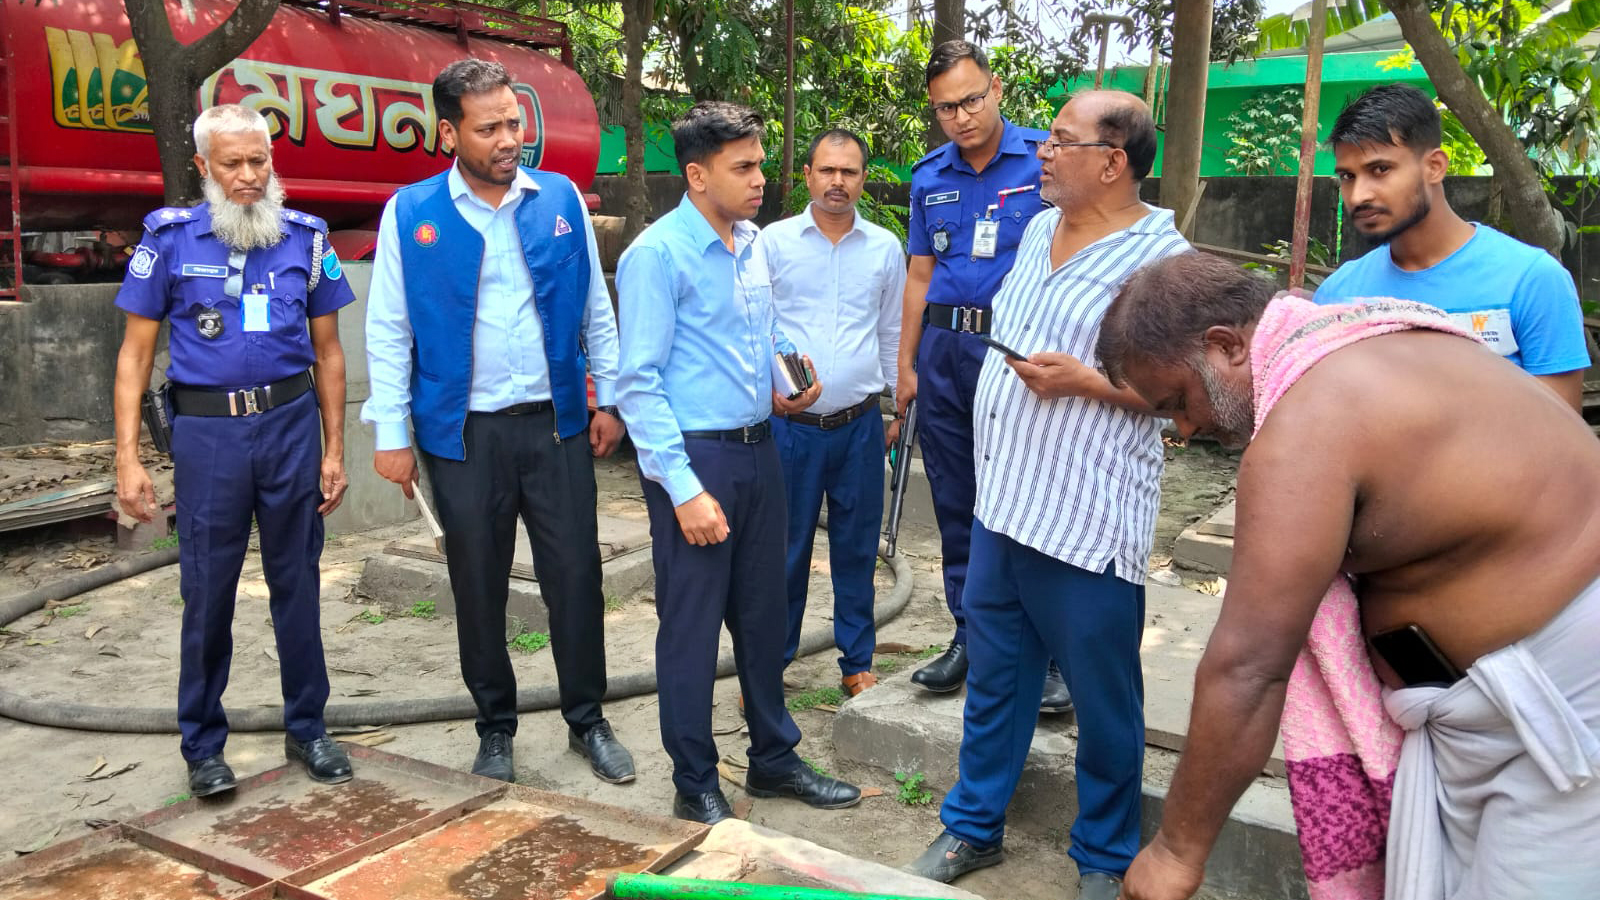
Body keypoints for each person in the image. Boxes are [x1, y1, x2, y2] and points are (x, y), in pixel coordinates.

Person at [1095, 252, 1600, 900]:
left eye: (1178, 403)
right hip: (1509, 712)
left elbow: (1249, 666)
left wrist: (1174, 852)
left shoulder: (1306, 424)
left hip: (1563, 712)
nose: (1186, 429)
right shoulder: (1368, 340)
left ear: (1226, 345)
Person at [902, 91, 1189, 900]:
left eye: (1061, 141)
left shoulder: (1160, 263)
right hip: (1005, 506)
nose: (1043, 153)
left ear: (1113, 161)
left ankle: (1103, 855)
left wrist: (1089, 383)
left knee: (1103, 699)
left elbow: (1183, 399)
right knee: (998, 679)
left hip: (1087, 518)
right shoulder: (1036, 232)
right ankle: (972, 826)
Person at [362, 59, 634, 785]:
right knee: (477, 583)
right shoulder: (412, 213)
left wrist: (606, 399)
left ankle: (589, 719)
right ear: (449, 132)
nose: (509, 138)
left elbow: (593, 310)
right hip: (464, 435)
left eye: (514, 122)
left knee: (575, 576)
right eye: (489, 128)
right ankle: (495, 728)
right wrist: (391, 432)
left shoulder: (560, 198)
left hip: (555, 426)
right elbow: (389, 329)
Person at [616, 100, 863, 824]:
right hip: (697, 463)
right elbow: (639, 383)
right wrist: (685, 490)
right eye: (744, 167)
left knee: (763, 618)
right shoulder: (656, 257)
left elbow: (763, 330)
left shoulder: (751, 242)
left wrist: (787, 380)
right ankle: (694, 780)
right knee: (691, 629)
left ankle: (773, 759)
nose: (761, 178)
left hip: (762, 453)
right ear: (697, 175)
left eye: (760, 162)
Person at [112, 104, 356, 797]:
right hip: (208, 438)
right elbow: (133, 357)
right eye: (233, 164)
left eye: (259, 161)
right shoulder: (169, 241)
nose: (249, 176)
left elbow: (329, 353)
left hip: (288, 430)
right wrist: (128, 459)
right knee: (208, 591)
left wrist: (333, 449)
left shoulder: (304, 239)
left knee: (297, 585)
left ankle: (308, 727)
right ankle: (202, 744)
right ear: (203, 168)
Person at [898, 40, 1068, 709]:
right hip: (944, 354)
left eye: (971, 99)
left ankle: (1046, 654)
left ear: (996, 89)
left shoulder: (1045, 160)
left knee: (1029, 497)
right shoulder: (928, 176)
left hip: (1017, 352)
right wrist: (905, 366)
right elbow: (920, 274)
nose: (961, 116)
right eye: (946, 107)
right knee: (955, 496)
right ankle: (970, 636)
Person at [1316, 83, 1589, 412]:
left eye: (1380, 169)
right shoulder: (1337, 295)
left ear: (1434, 166)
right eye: (1347, 176)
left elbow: (1559, 436)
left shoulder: (1532, 280)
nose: (1359, 195)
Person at [755, 128, 905, 698]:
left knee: (856, 548)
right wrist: (767, 391)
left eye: (850, 171)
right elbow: (755, 325)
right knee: (783, 553)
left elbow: (891, 332)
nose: (838, 181)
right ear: (808, 177)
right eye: (827, 171)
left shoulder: (884, 250)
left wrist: (895, 406)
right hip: (790, 429)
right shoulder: (773, 243)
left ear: (864, 179)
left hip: (861, 428)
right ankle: (771, 663)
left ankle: (857, 662)